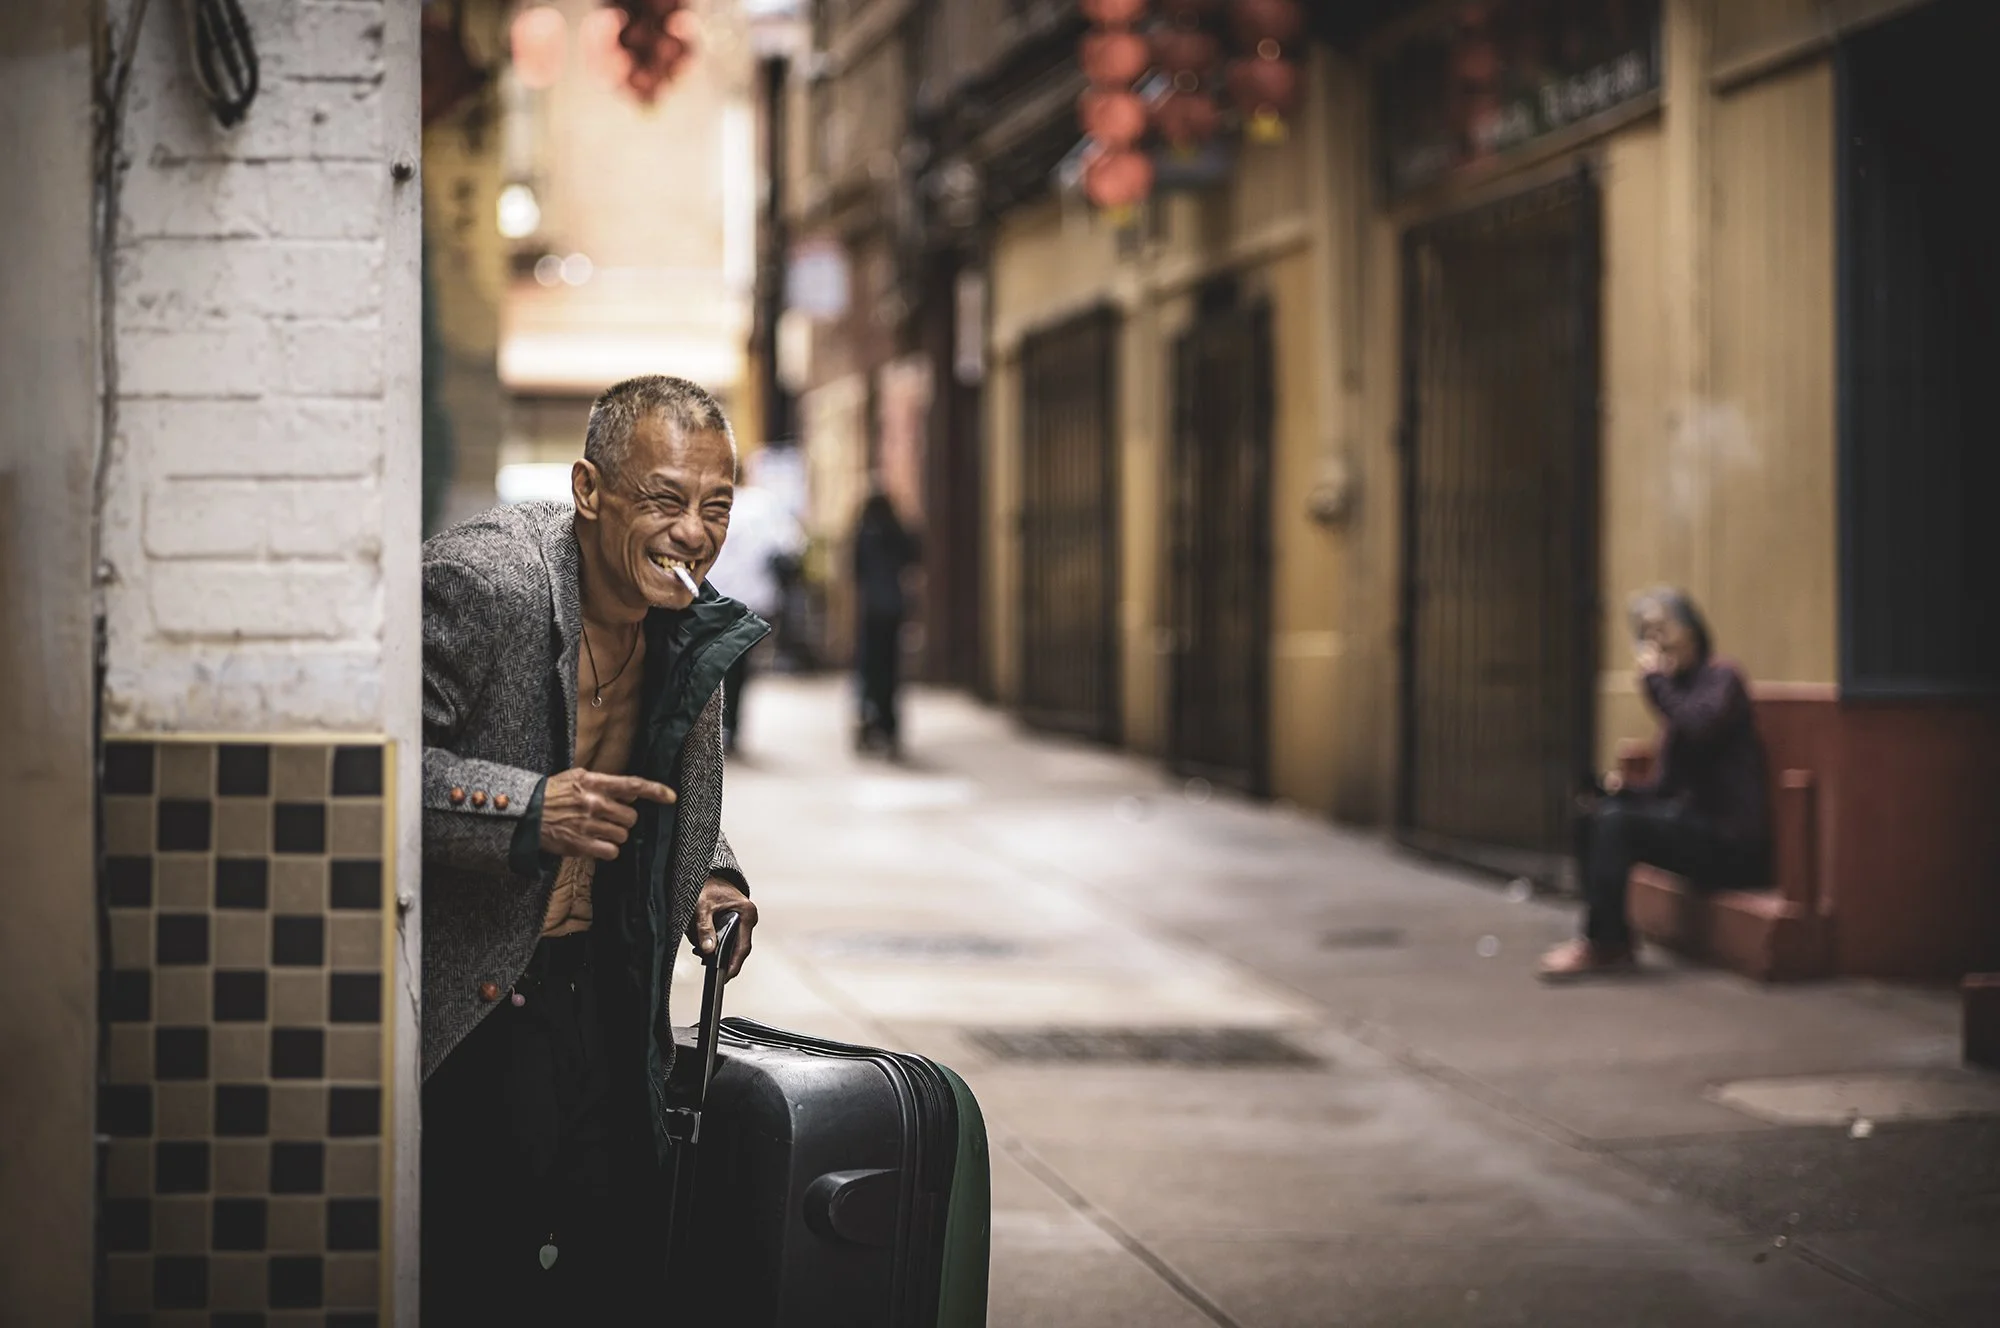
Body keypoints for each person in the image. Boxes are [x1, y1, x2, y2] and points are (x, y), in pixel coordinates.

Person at [419, 375, 767, 1322]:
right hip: (482, 997)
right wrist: (525, 806)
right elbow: (364, 776)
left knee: (612, 1257)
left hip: (606, 985)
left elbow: (644, 774)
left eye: (717, 505)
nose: (693, 531)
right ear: (588, 489)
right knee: (486, 1268)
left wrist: (711, 867)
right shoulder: (485, 583)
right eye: (663, 499)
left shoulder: (686, 620)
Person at [1539, 587, 1772, 981]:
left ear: (1693, 630)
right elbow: (1666, 790)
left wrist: (1654, 685)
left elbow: (1700, 727)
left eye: (1664, 628)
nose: (1656, 640)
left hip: (1732, 843)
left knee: (1618, 824)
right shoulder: (1677, 699)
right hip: (1693, 831)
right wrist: (1618, 791)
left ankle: (1606, 947)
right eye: (1646, 632)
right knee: (1596, 814)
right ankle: (1612, 937)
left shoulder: (1723, 678)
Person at [703, 481, 805, 754]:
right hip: (748, 602)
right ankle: (731, 727)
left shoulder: (707, 501)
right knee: (738, 667)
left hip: (710, 598)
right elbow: (791, 543)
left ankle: (714, 728)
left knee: (710, 665)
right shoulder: (762, 506)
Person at [851, 489, 920, 758]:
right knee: (890, 669)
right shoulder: (897, 532)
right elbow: (914, 558)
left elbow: (856, 573)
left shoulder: (864, 533)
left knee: (869, 668)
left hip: (871, 611)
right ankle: (888, 726)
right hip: (893, 608)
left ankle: (869, 722)